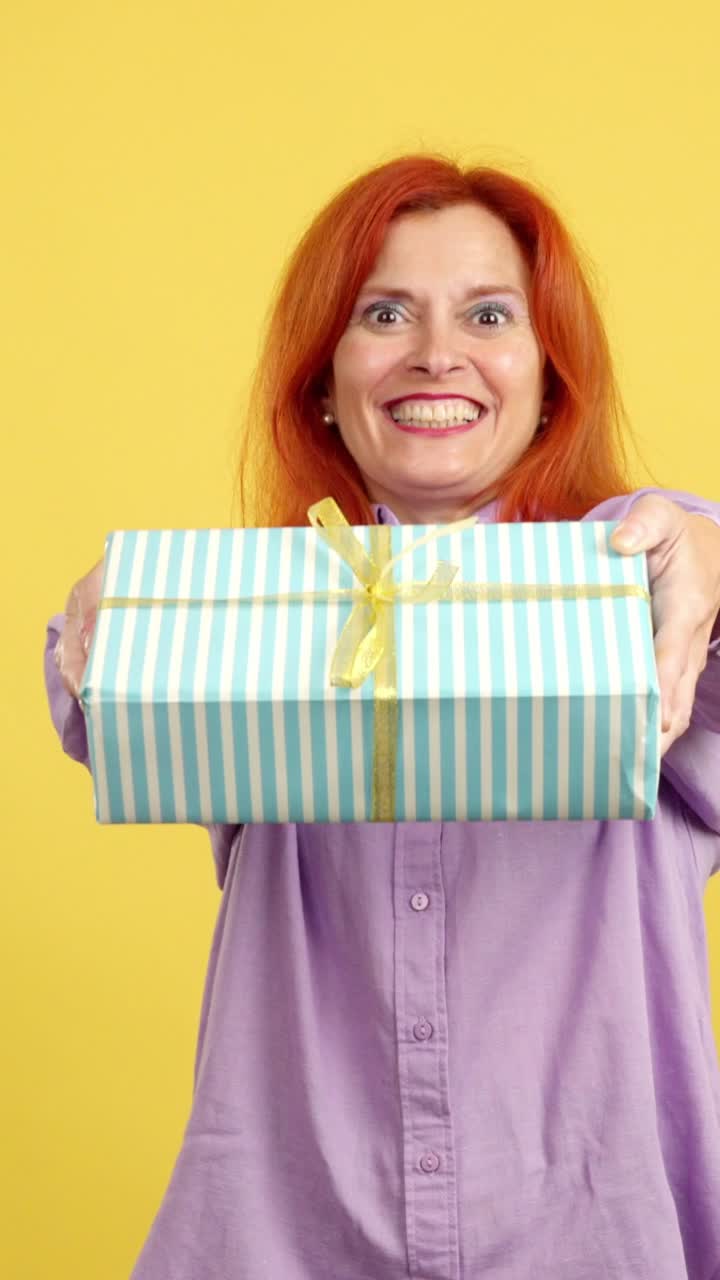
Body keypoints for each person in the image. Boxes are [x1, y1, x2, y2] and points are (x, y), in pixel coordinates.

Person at [45, 155, 720, 1280]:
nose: (435, 352)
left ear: (550, 379)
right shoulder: (255, 626)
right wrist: (127, 606)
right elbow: (85, 703)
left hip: (589, 1234)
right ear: (324, 379)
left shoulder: (648, 612)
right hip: (285, 1237)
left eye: (489, 315)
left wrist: (706, 545)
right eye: (385, 313)